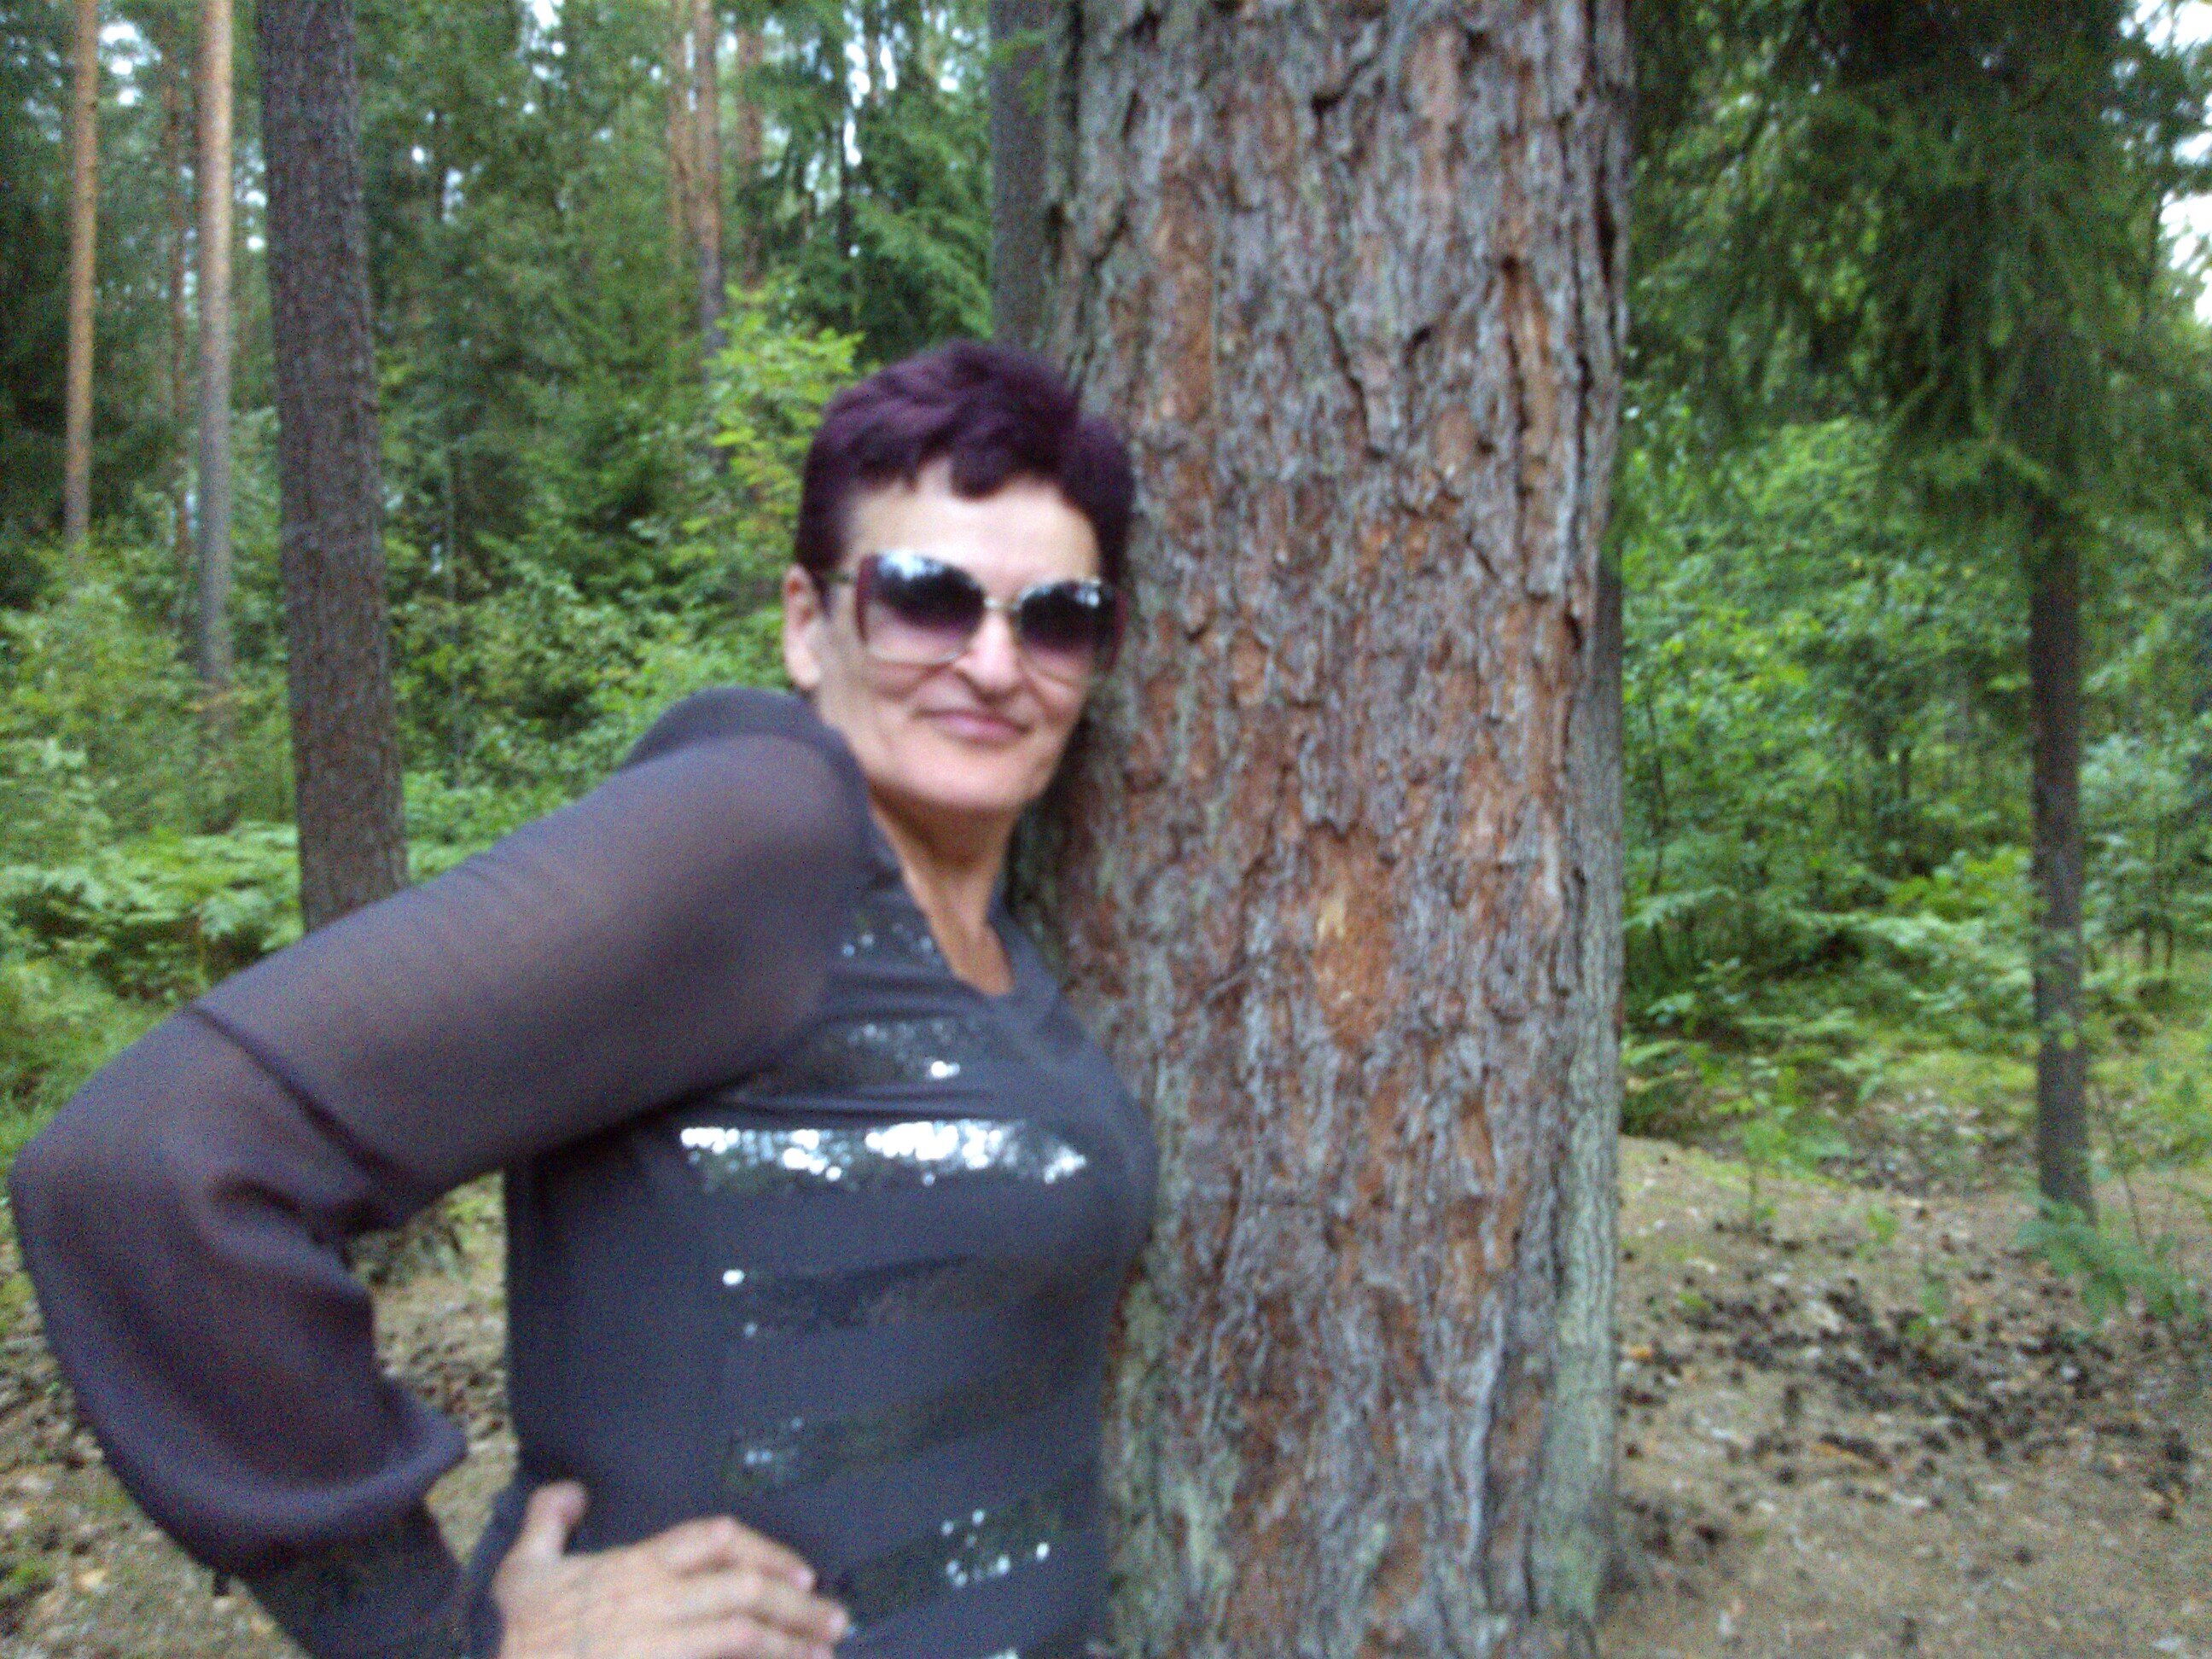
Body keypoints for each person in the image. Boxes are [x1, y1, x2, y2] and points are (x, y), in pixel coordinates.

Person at [9, 342, 1157, 1659]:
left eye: (1057, 617)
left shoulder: (1000, 940)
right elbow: (147, 1164)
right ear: (808, 622)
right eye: (928, 599)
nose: (996, 664)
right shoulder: (764, 830)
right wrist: (429, 1632)